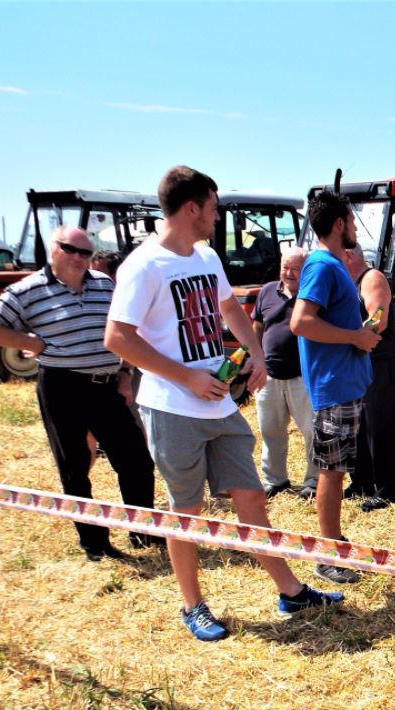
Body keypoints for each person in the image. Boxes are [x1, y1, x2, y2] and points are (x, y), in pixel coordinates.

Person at [104, 165, 341, 642]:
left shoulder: (206, 256)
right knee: (187, 509)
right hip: (172, 407)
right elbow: (118, 338)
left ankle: (291, 591)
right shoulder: (143, 266)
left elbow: (229, 307)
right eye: (213, 208)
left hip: (218, 404)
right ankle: (192, 605)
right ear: (192, 208)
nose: (217, 217)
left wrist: (256, 354)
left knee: (251, 496)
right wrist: (186, 377)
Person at [0, 224, 159, 562]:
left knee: (136, 461)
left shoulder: (104, 284)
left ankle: (142, 532)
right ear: (53, 249)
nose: (78, 257)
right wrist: (30, 343)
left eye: (85, 252)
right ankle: (95, 543)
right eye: (70, 249)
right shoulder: (28, 289)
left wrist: (125, 374)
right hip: (63, 387)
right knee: (75, 468)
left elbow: (124, 331)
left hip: (106, 387)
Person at [289, 190, 381, 584]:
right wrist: (355, 337)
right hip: (334, 387)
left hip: (342, 385)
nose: (356, 227)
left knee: (337, 469)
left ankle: (335, 541)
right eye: (352, 220)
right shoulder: (322, 265)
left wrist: (360, 333)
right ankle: (328, 556)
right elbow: (300, 322)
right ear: (339, 223)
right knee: (331, 471)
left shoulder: (330, 264)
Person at [252, 247, 319, 500]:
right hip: (270, 375)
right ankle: (275, 480)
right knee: (270, 431)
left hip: (303, 375)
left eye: (295, 269)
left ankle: (313, 482)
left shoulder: (312, 294)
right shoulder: (267, 291)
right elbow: (257, 326)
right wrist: (256, 358)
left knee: (311, 430)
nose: (289, 273)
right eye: (285, 267)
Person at [341, 242, 395, 512]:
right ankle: (362, 482)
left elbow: (378, 318)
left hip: (379, 363)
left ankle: (387, 490)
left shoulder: (372, 278)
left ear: (349, 255)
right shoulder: (350, 283)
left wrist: (351, 340)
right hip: (357, 362)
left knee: (380, 426)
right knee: (357, 425)